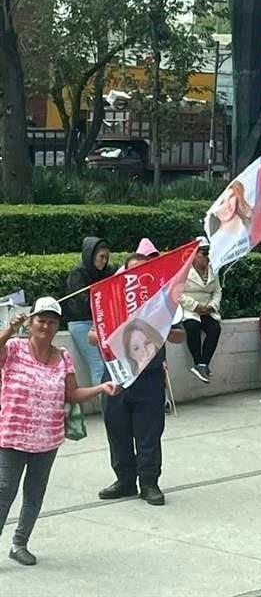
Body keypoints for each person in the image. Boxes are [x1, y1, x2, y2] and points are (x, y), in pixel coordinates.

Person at [0, 298, 118, 565]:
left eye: (52, 322)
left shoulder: (63, 356)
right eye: (41, 320)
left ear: (57, 326)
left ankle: (19, 544)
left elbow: (73, 394)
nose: (46, 325)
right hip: (12, 438)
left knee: (34, 494)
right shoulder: (14, 348)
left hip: (48, 440)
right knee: (4, 493)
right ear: (31, 323)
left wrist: (101, 388)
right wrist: (9, 329)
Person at [96, 253, 185, 507]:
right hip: (117, 377)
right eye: (130, 272)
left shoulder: (165, 302)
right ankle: (124, 481)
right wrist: (110, 337)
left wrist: (164, 330)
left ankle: (149, 482)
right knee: (117, 431)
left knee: (148, 433)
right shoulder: (111, 299)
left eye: (142, 270)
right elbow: (93, 336)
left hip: (149, 378)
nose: (135, 277)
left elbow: (180, 336)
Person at [63, 236, 112, 388]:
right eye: (101, 257)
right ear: (91, 255)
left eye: (106, 257)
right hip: (81, 323)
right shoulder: (77, 274)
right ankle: (106, 406)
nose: (104, 261)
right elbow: (82, 300)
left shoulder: (107, 272)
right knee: (98, 364)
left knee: (109, 364)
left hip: (101, 322)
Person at [179, 237, 222, 383]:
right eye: (205, 253)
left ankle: (203, 364)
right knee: (192, 327)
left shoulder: (213, 269)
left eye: (210, 253)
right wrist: (195, 306)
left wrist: (212, 306)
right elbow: (176, 292)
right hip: (190, 309)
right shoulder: (184, 269)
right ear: (195, 253)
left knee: (214, 328)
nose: (208, 257)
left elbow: (217, 291)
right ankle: (197, 362)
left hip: (207, 309)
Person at [207, 181, 254, 248]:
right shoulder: (216, 239)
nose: (227, 205)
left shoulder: (247, 226)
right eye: (221, 202)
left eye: (231, 197)